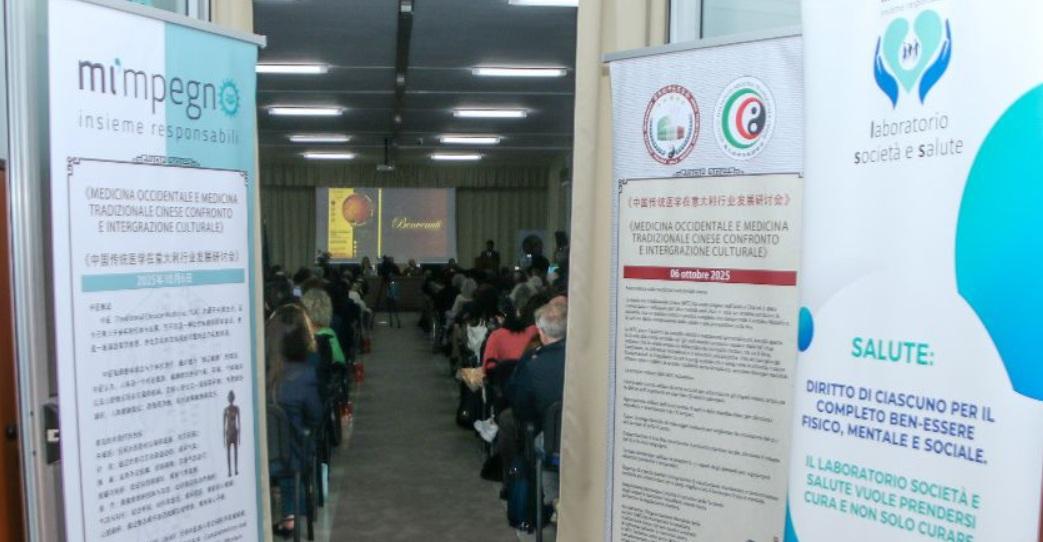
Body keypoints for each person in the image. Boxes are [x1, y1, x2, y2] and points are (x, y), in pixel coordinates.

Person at [266, 305, 323, 537]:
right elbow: (316, 416)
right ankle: (291, 515)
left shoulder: (257, 376)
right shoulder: (305, 375)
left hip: (261, 458)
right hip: (292, 459)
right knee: (296, 439)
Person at [224, 390, 241, 477]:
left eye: (232, 397)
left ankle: (236, 469)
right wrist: (224, 438)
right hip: (228, 433)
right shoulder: (226, 410)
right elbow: (224, 425)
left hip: (234, 432)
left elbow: (239, 423)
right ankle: (229, 471)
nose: (231, 398)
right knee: (228, 453)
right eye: (230, 397)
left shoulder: (236, 408)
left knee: (235, 452)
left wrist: (239, 437)